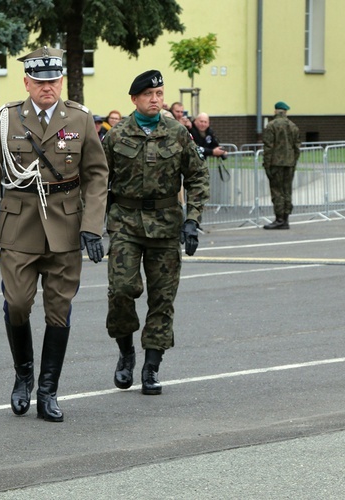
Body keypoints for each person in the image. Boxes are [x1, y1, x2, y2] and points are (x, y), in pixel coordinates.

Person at [0, 47, 109, 422]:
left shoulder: (79, 118)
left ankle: (47, 390)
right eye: (41, 82)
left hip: (65, 224)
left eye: (54, 81)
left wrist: (92, 226)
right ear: (27, 82)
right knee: (19, 303)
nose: (48, 87)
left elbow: (96, 174)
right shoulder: (8, 118)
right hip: (20, 223)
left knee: (58, 311)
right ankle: (23, 373)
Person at [102, 70, 209, 396]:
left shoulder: (177, 133)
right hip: (126, 223)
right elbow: (97, 182)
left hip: (166, 226)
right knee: (121, 290)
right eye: (149, 94)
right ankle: (126, 353)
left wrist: (192, 220)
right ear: (134, 99)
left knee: (162, 298)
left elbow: (198, 178)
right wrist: (90, 228)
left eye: (160, 93)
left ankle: (151, 366)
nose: (155, 99)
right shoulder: (116, 135)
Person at [262, 101, 301, 230]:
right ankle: (286, 218)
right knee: (287, 191)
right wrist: (293, 161)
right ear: (285, 112)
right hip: (289, 163)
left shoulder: (271, 126)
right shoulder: (293, 126)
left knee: (277, 191)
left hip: (275, 163)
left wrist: (266, 165)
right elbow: (297, 147)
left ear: (275, 111)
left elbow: (268, 147)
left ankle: (279, 219)